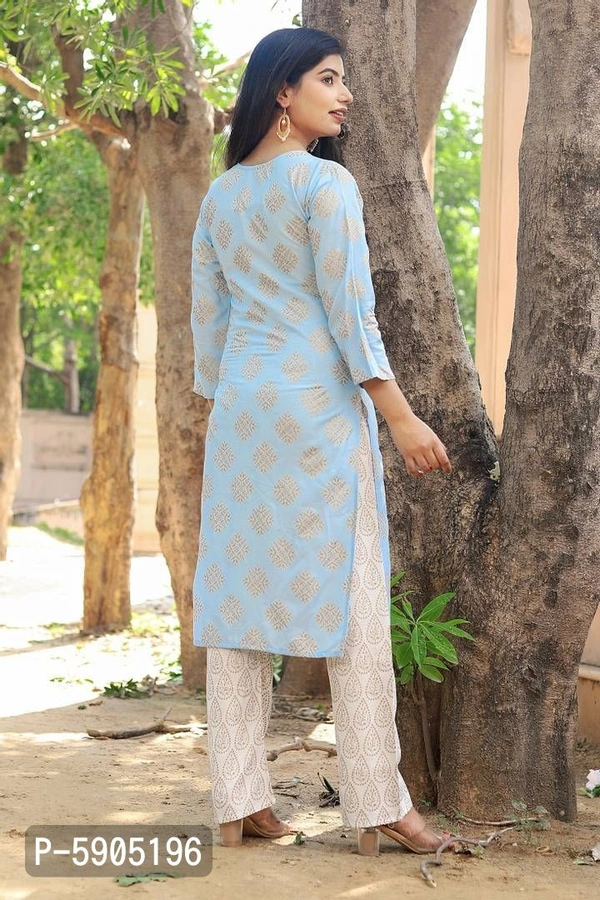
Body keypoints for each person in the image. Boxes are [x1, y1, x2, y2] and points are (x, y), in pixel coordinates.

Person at [190, 27, 452, 857]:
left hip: (241, 414)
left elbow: (209, 325)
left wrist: (232, 401)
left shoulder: (221, 196)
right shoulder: (324, 184)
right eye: (329, 79)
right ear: (283, 91)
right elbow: (350, 310)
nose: (346, 95)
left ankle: (238, 799)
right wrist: (399, 413)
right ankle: (378, 803)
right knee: (353, 601)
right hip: (317, 414)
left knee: (236, 607)